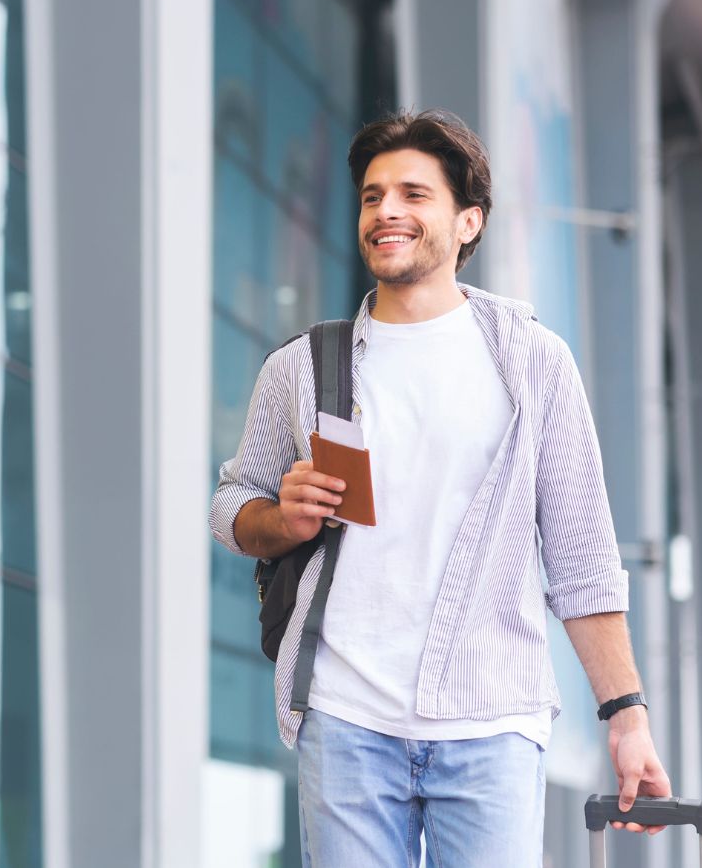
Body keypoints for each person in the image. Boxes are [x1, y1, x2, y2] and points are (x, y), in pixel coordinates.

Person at [208, 109, 672, 866]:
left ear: (468, 222)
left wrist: (627, 718)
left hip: (491, 721)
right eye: (371, 196)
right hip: (346, 716)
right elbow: (232, 507)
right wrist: (280, 520)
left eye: (413, 195)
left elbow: (583, 560)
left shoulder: (532, 364)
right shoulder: (304, 367)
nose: (386, 210)